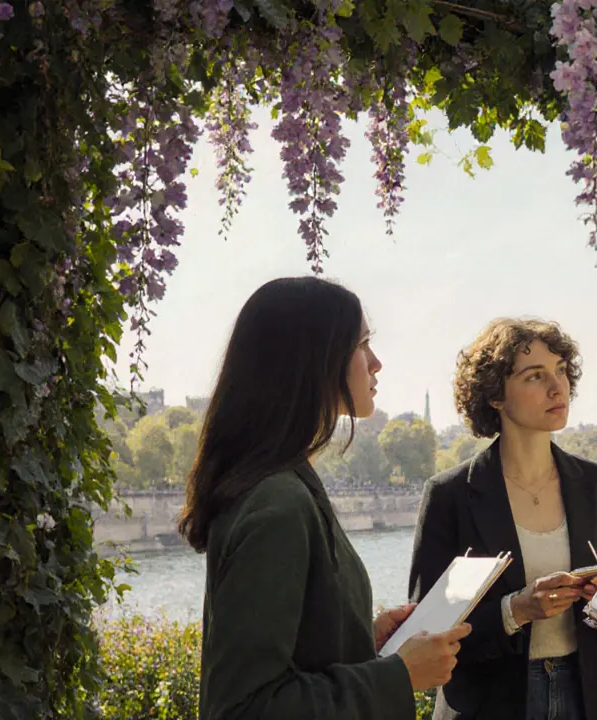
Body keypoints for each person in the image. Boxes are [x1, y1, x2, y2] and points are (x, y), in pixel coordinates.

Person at [178, 277, 470, 720]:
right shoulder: (279, 503)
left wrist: (360, 638)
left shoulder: (282, 484)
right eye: (363, 344)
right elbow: (242, 708)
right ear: (316, 359)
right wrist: (399, 675)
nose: (377, 363)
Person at [408, 318, 597, 720]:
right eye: (535, 376)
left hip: (588, 700)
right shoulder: (450, 494)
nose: (557, 387)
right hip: (489, 704)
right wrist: (515, 610)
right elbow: (426, 633)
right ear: (495, 395)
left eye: (561, 371)